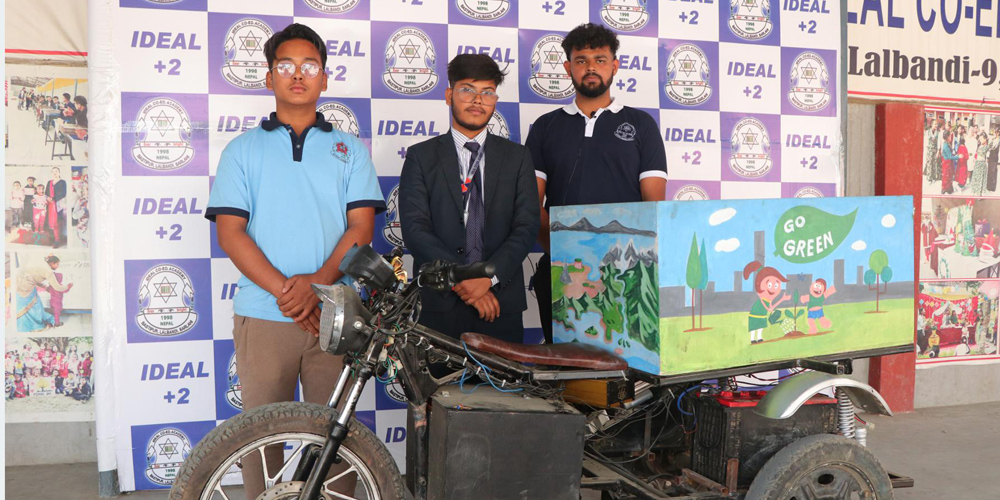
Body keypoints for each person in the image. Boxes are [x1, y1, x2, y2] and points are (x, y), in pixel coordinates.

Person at [205, 23, 384, 499]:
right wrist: (291, 291)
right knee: (259, 442)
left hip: (337, 314)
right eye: (286, 66)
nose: (298, 75)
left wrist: (316, 287)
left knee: (338, 440)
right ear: (269, 77)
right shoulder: (242, 150)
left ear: (325, 78)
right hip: (265, 316)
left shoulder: (350, 150)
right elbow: (231, 233)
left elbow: (361, 231)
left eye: (310, 66)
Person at [526, 23, 667, 343]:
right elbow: (530, 205)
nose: (591, 67)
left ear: (614, 66)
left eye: (600, 59)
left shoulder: (641, 124)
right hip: (563, 269)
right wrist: (566, 251)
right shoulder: (545, 128)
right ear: (568, 68)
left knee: (630, 368)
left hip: (629, 272)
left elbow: (654, 207)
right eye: (581, 60)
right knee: (568, 372)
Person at [399, 54, 540, 343]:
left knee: (505, 390)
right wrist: (463, 279)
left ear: (495, 100)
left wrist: (488, 279)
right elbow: (416, 231)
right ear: (449, 95)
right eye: (468, 90)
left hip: (501, 305)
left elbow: (526, 227)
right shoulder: (421, 156)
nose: (478, 100)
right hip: (439, 306)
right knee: (438, 389)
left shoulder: (517, 157)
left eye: (487, 92)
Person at [743, 261, 790, 344]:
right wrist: (771, 309)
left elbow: (771, 308)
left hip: (762, 315)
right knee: (754, 327)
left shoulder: (769, 300)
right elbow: (768, 308)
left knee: (760, 326)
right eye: (769, 285)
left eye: (776, 286)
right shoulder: (761, 300)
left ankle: (759, 337)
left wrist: (782, 299)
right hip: (755, 314)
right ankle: (752, 339)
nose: (772, 289)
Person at [47, 167, 67, 246]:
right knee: (50, 222)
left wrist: (53, 198)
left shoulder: (63, 182)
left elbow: (63, 193)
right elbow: (46, 192)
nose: (54, 173)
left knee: (57, 222)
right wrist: (48, 198)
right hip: (50, 204)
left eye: (56, 171)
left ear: (59, 172)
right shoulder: (49, 182)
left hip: (58, 204)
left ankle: (57, 240)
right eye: (53, 171)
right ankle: (53, 238)